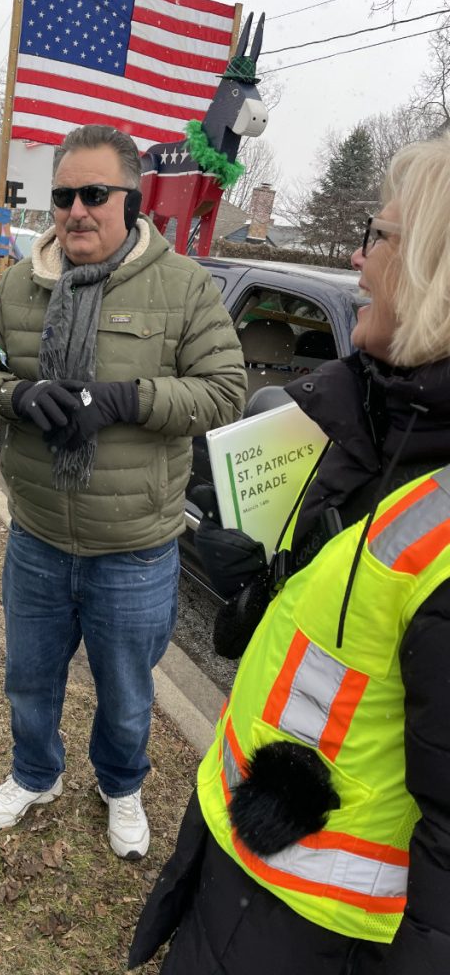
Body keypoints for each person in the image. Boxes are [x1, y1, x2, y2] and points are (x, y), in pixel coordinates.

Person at [130, 133, 450, 974]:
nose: (356, 255)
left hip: (319, 927)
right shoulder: (363, 419)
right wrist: (257, 589)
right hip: (237, 858)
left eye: (377, 235)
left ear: (432, 268)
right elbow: (326, 655)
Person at [0, 123, 246, 860]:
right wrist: (17, 398)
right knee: (29, 678)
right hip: (39, 537)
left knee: (125, 695)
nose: (75, 210)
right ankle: (35, 774)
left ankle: (121, 787)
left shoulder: (182, 285)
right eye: (62, 196)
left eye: (93, 194)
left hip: (136, 551)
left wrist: (128, 398)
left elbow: (225, 392)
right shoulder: (22, 282)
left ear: (130, 198)